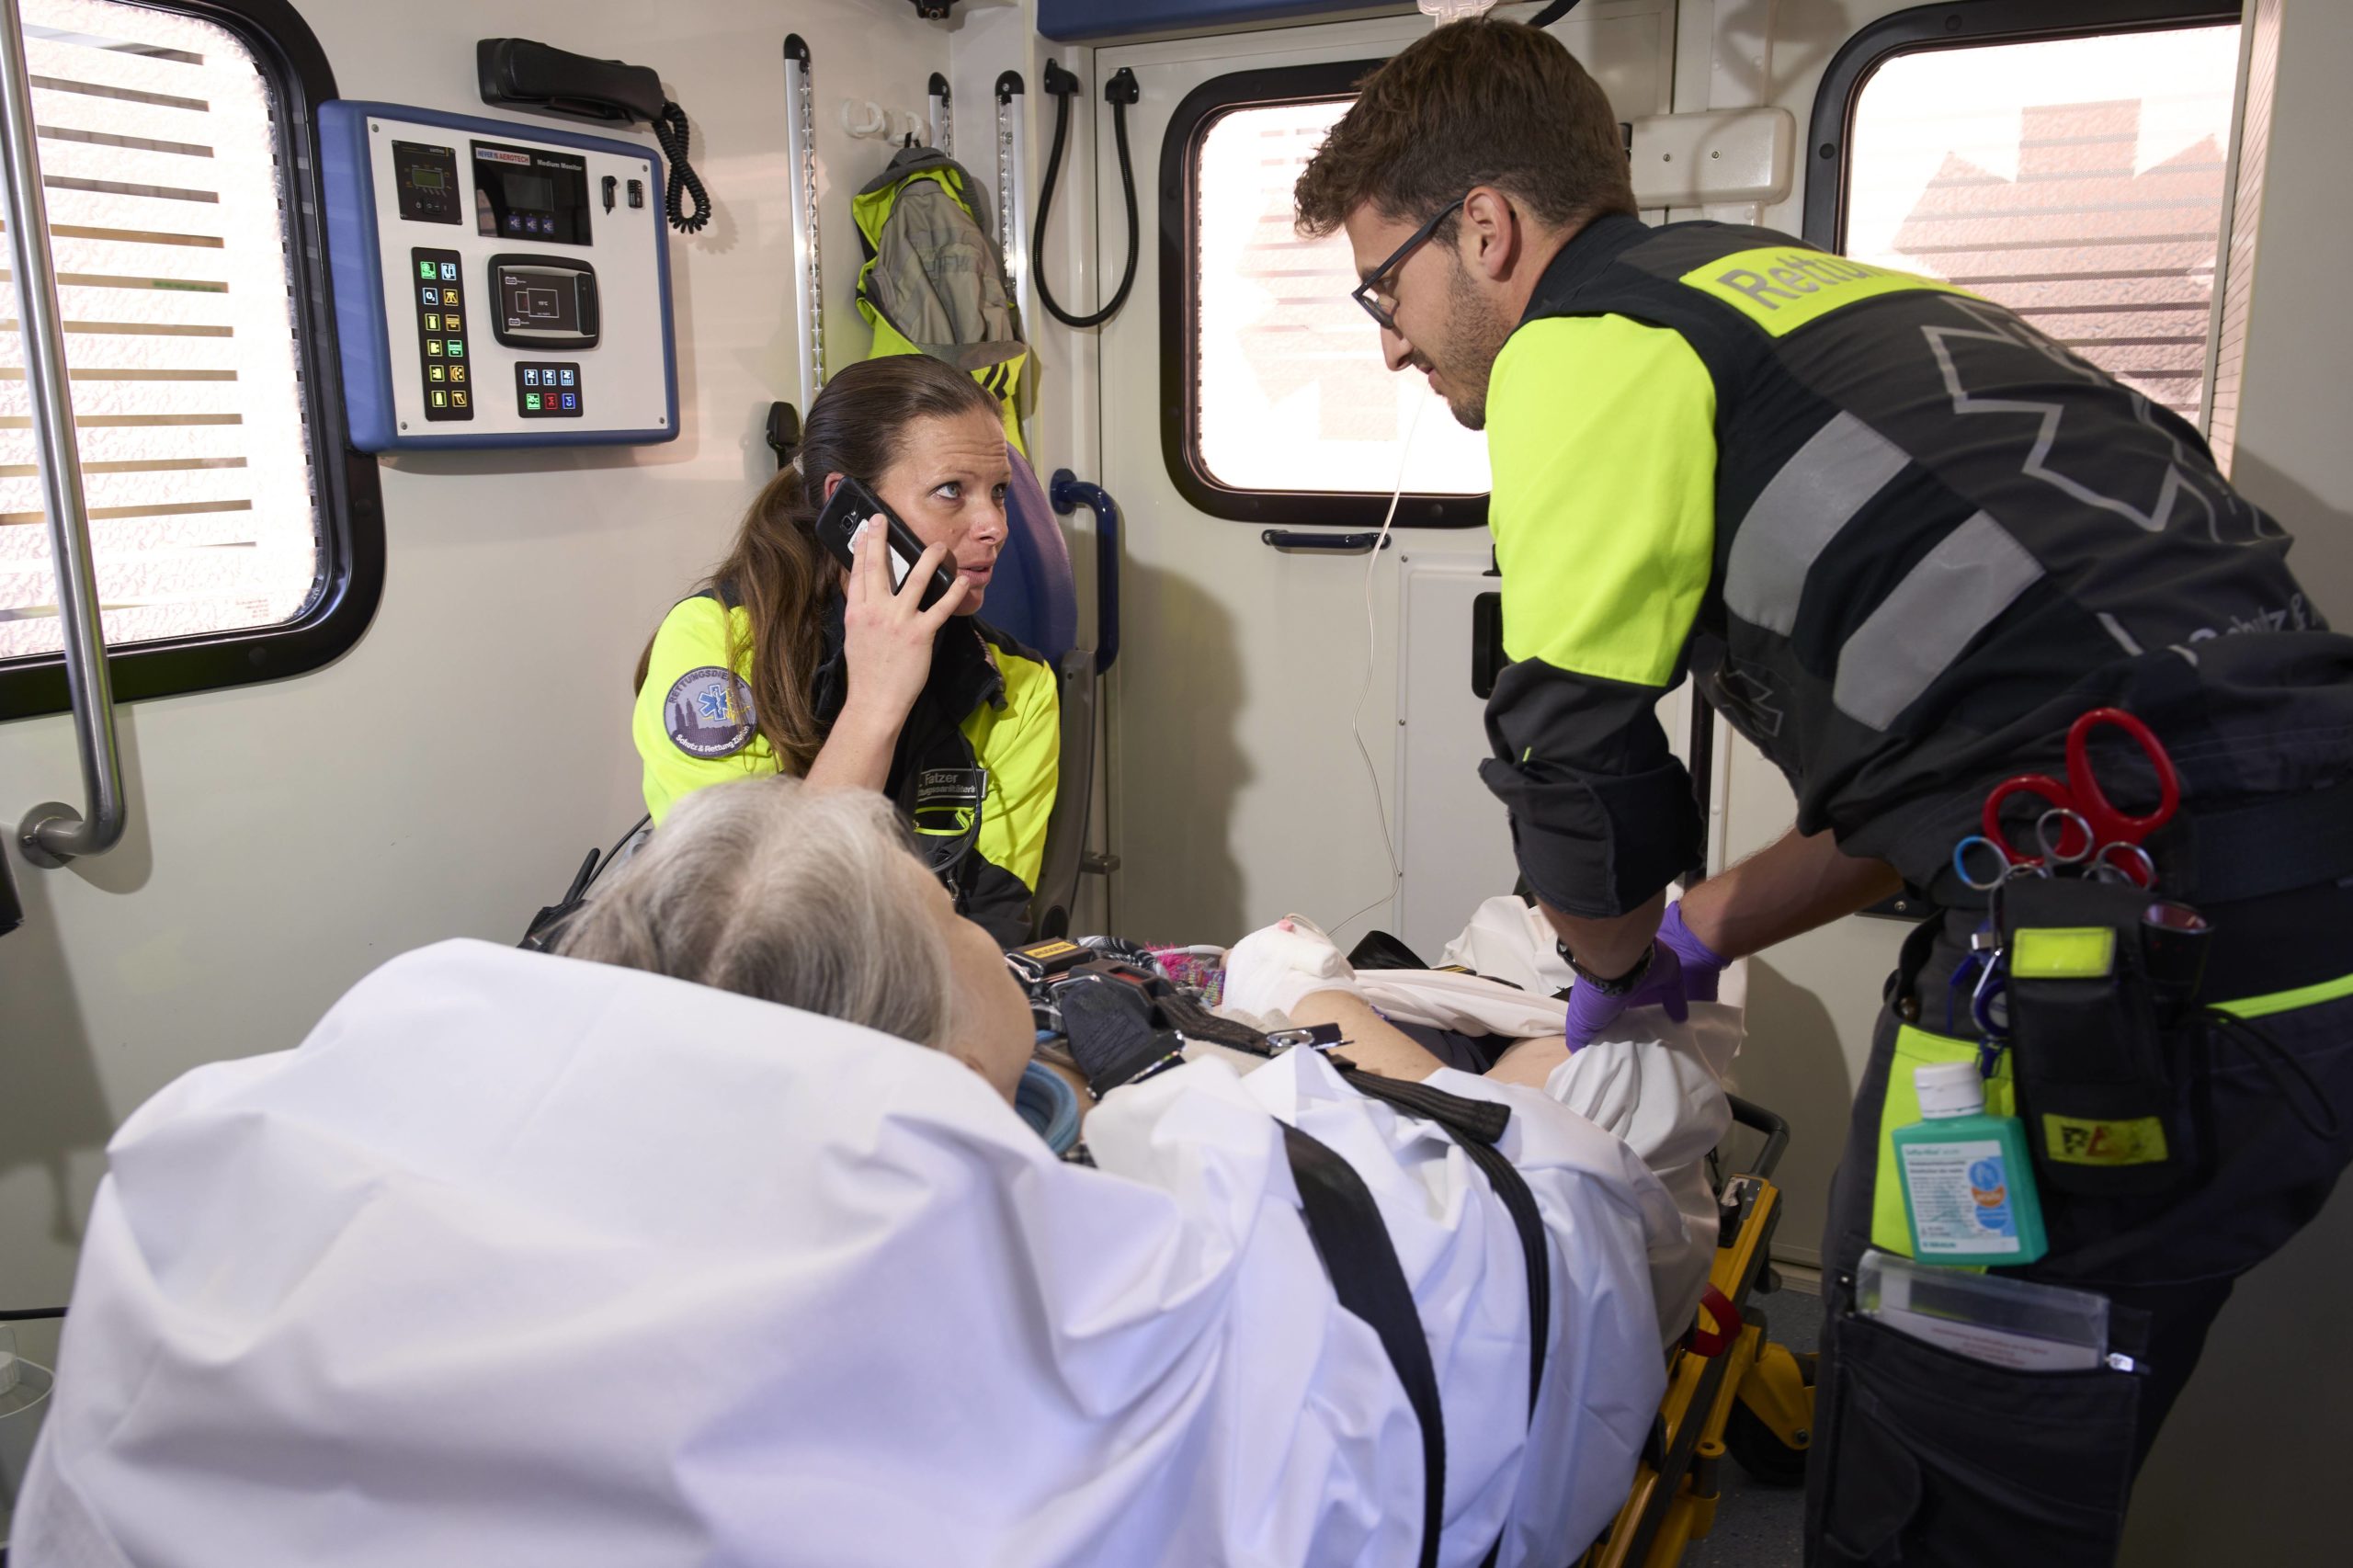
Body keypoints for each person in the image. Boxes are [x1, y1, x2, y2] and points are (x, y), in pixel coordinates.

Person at [1293, 16, 2353, 1565]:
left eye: (1385, 290)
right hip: (2284, 935)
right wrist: (1695, 937)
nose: (1392, 342)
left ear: (1491, 230)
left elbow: (1569, 758)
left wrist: (1605, 975)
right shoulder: (1822, 301)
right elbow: (1975, 761)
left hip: (2114, 982)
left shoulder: (1584, 348)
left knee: (1941, 1465)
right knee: (2056, 1426)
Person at [12, 777, 1682, 1567]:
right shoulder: (1132, 1231)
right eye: (970, 925)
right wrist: (1356, 1058)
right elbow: (1528, 1312)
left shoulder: (264, 1143)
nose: (997, 937)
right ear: (934, 1048)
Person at [631, 355, 1058, 946]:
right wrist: (875, 702)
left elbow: (989, 931)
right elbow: (749, 924)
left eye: (1001, 492)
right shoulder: (718, 645)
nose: (994, 526)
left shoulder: (1019, 687)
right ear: (851, 507)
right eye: (951, 491)